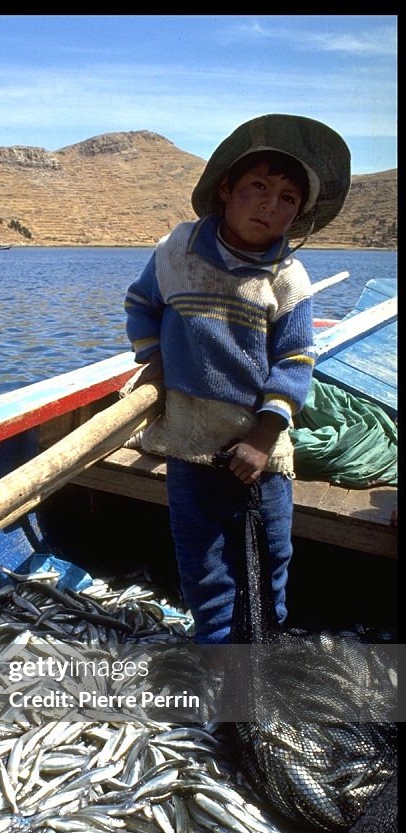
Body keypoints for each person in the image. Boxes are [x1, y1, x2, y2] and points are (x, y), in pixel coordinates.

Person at [124, 114, 351, 645]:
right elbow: (141, 305)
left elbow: (296, 361)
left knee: (269, 559)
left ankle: (260, 662)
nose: (272, 205)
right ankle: (218, 663)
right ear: (226, 189)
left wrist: (263, 437)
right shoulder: (176, 252)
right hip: (188, 445)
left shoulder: (287, 278)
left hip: (260, 454)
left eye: (289, 198)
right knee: (204, 566)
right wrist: (154, 357)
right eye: (259, 188)